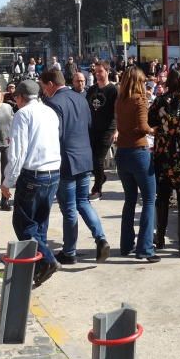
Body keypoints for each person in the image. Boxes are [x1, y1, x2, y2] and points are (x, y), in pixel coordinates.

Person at [40, 68, 111, 265]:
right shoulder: (81, 98)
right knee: (83, 202)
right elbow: (89, 124)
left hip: (66, 161)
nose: (43, 91)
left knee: (69, 207)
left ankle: (69, 251)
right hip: (84, 157)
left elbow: (55, 134)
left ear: (51, 84)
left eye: (43, 86)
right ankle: (101, 238)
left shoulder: (53, 103)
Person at [1, 80, 62, 288]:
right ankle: (39, 266)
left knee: (23, 223)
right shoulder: (50, 112)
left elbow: (17, 153)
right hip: (53, 171)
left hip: (33, 174)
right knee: (40, 222)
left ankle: (46, 259)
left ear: (20, 97)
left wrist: (7, 181)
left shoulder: (22, 114)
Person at [148, 69, 180, 258]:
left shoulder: (160, 101)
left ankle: (160, 239)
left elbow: (150, 120)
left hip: (163, 154)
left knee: (162, 198)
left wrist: (163, 130)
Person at [115, 66, 160, 262]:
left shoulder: (120, 100)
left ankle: (126, 244)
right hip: (139, 152)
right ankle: (145, 249)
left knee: (130, 200)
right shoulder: (139, 100)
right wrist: (154, 130)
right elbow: (143, 126)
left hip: (122, 153)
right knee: (149, 200)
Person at [86, 60, 118, 200]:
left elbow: (118, 112)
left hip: (107, 130)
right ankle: (102, 177)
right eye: (96, 72)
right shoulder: (92, 90)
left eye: (101, 71)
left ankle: (97, 190)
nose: (98, 74)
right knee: (90, 160)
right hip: (92, 129)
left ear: (107, 72)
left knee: (98, 160)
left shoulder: (113, 90)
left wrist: (117, 130)